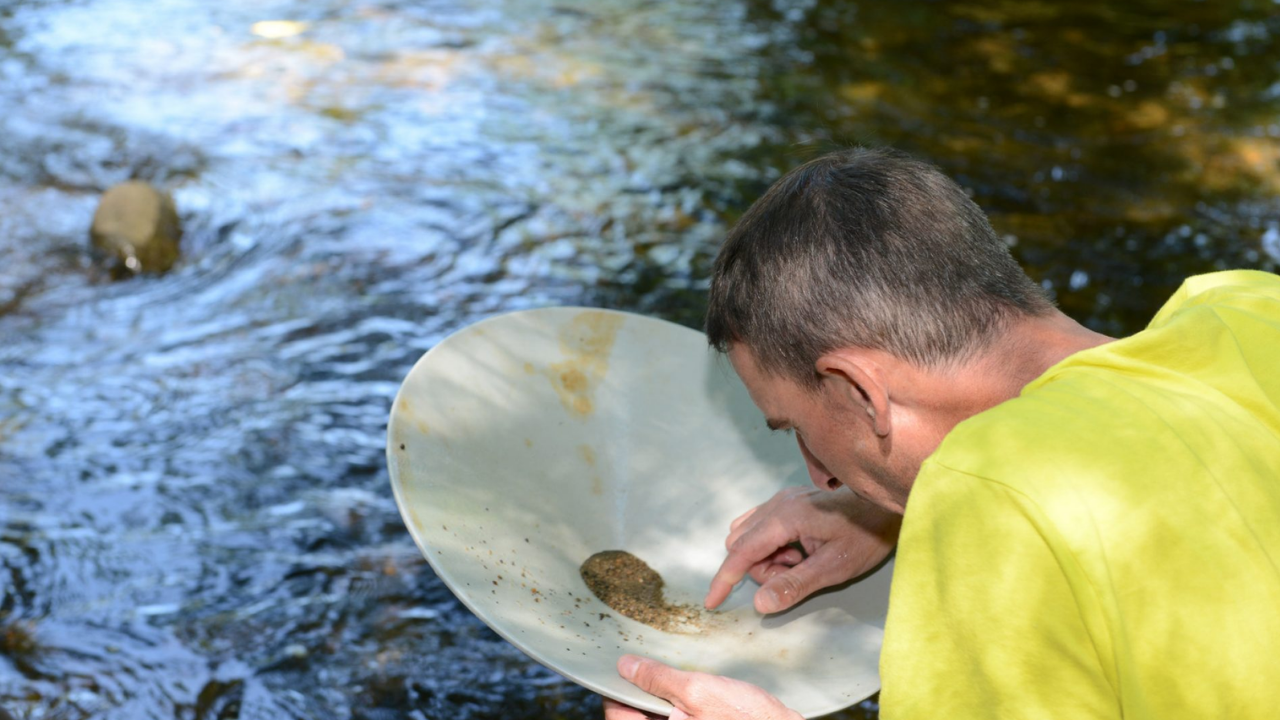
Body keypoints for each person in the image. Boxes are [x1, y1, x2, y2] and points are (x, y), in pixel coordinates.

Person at [602, 147, 1280, 720]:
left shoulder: (987, 502)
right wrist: (887, 506)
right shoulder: (1242, 306)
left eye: (798, 428)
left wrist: (955, 501)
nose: (818, 477)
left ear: (862, 391)